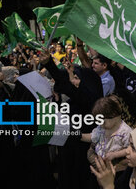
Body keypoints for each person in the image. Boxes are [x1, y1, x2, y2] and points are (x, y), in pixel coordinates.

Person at [39, 48, 103, 189]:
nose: (71, 79)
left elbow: (77, 94)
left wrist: (50, 64)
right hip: (66, 145)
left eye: (75, 77)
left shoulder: (90, 99)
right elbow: (64, 83)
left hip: (82, 148)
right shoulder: (72, 98)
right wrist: (49, 63)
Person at [81, 95, 132, 176]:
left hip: (117, 166)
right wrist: (79, 136)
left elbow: (130, 149)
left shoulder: (125, 131)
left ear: (114, 115)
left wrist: (115, 154)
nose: (101, 125)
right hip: (101, 162)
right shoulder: (102, 128)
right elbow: (92, 137)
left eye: (103, 122)